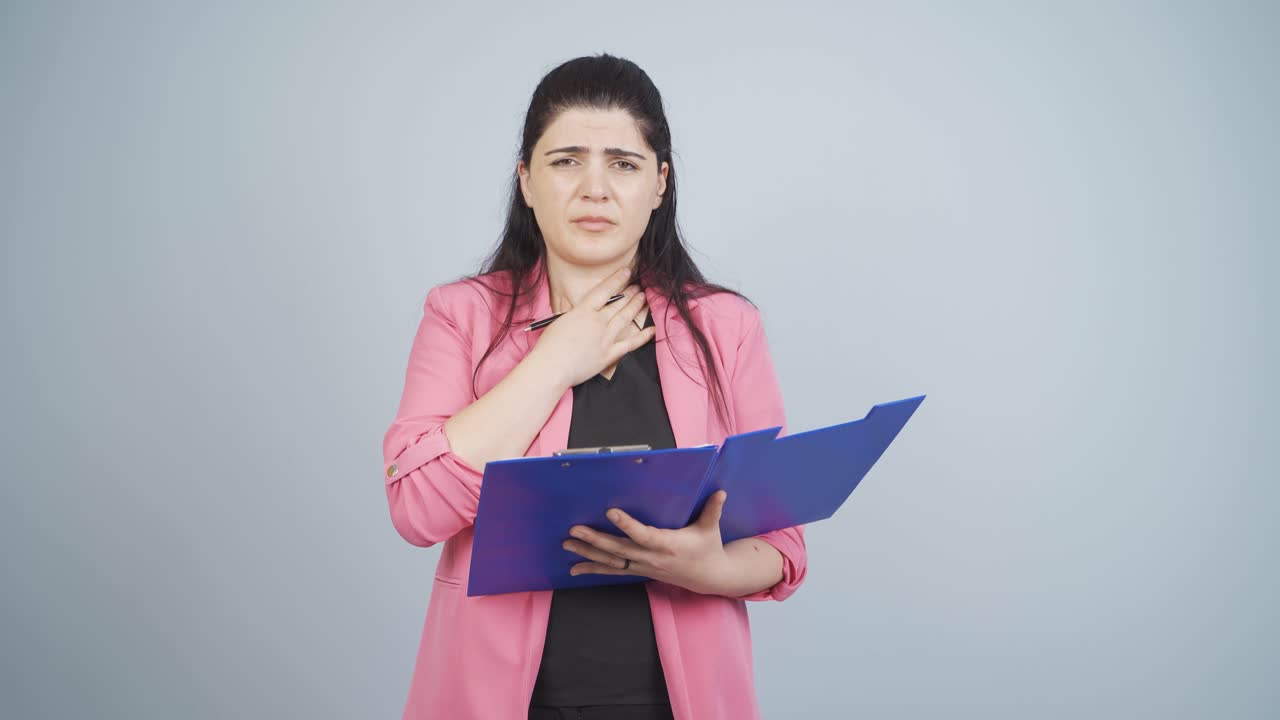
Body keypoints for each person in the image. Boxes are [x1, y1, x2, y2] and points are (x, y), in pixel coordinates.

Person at [381, 53, 807, 720]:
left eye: (624, 164)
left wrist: (707, 569)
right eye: (565, 160)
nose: (595, 188)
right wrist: (554, 360)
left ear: (660, 183)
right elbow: (417, 506)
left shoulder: (728, 327)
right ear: (526, 179)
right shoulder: (459, 315)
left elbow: (781, 544)